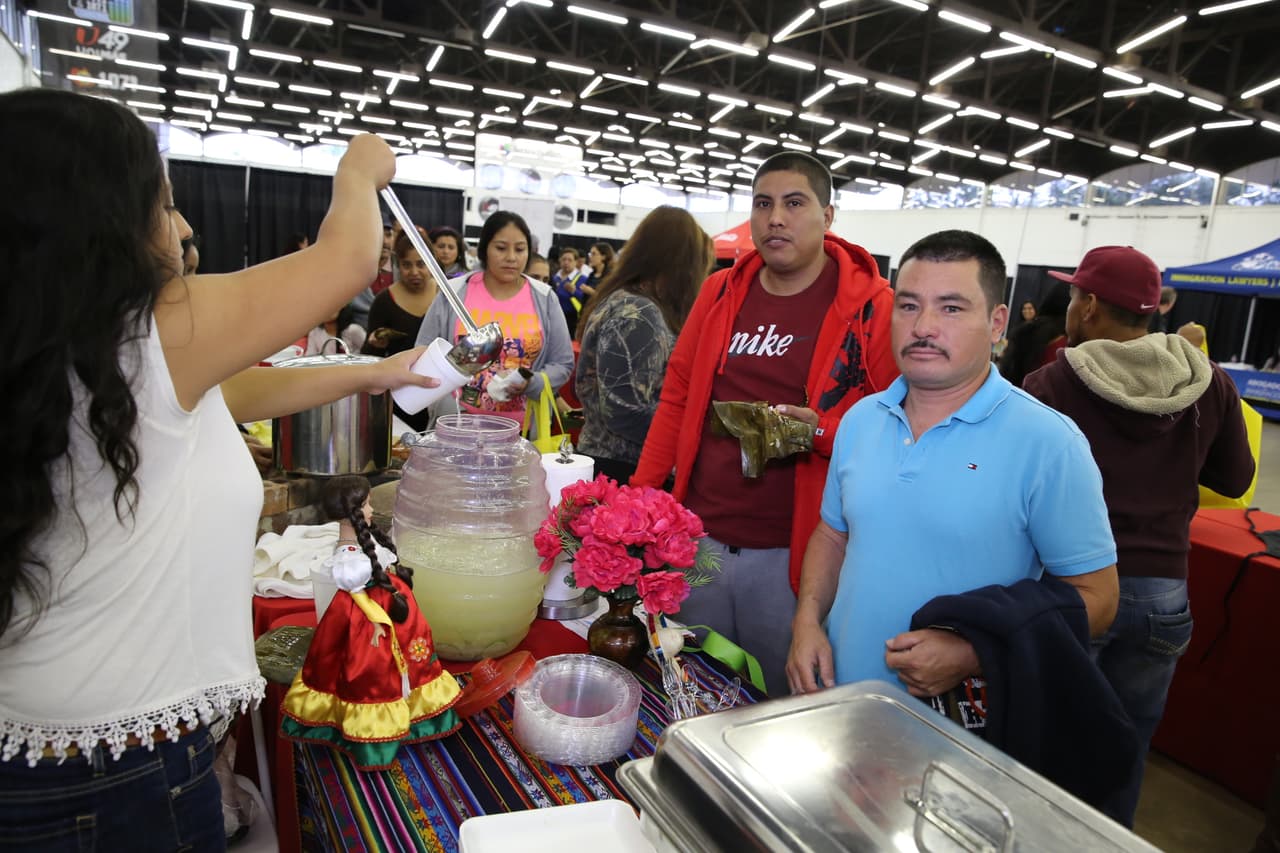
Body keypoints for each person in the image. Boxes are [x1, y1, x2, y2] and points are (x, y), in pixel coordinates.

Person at [0, 89, 440, 847]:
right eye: (164, 204)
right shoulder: (152, 327)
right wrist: (359, 167)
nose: (183, 227)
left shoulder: (65, 340)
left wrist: (375, 373)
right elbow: (345, 260)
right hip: (120, 775)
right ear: (97, 215)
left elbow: (232, 390)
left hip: (55, 748)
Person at [787, 229, 1118, 694]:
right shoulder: (861, 419)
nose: (923, 326)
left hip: (960, 720)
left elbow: (1098, 599)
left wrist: (975, 653)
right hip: (840, 694)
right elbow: (833, 534)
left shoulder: (1049, 443)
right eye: (908, 305)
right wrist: (806, 621)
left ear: (997, 323)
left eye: (951, 308)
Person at [632, 152, 898, 697]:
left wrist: (819, 431)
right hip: (701, 538)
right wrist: (641, 501)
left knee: (782, 703)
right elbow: (677, 396)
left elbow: (893, 422)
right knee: (692, 687)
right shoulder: (720, 291)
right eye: (763, 203)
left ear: (828, 216)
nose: (775, 218)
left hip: (795, 554)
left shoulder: (872, 307)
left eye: (794, 203)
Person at [1022, 245, 1254, 825]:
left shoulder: (1052, 384)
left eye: (1074, 294)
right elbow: (1235, 478)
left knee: (1050, 738)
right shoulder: (1210, 383)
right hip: (1163, 597)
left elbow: (1014, 492)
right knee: (1128, 741)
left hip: (1074, 589)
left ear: (1090, 305)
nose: (1071, 305)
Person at [280, 476, 460, 770]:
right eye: (366, 504)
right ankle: (374, 730)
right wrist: (377, 623)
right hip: (368, 616)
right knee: (373, 671)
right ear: (352, 511)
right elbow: (356, 593)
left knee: (412, 655)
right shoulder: (348, 558)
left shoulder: (363, 543)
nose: (371, 509)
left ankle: (413, 709)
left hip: (386, 605)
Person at [575, 207, 714, 484]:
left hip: (622, 463)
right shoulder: (636, 312)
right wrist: (689, 434)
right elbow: (623, 410)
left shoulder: (636, 304)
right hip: (623, 468)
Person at [415, 211, 574, 423]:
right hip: (457, 421)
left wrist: (531, 382)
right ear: (485, 250)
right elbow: (423, 350)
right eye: (501, 248)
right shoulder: (454, 293)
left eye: (520, 249)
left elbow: (562, 363)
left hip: (522, 428)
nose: (511, 257)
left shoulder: (545, 298)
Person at [996, 281, 1070, 387]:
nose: (1027, 311)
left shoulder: (1025, 333)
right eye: (1024, 309)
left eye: (1030, 308)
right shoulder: (1062, 344)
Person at [551, 247, 588, 336]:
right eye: (564, 259)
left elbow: (586, 300)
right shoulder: (554, 277)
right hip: (553, 316)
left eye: (570, 260)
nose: (566, 262)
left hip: (572, 318)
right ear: (559, 260)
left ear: (576, 262)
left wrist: (574, 291)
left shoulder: (583, 279)